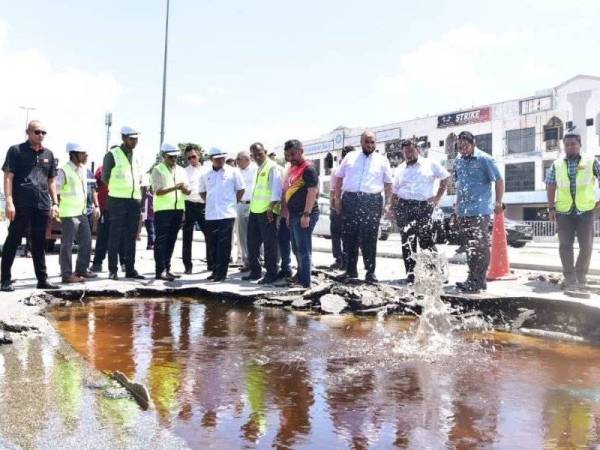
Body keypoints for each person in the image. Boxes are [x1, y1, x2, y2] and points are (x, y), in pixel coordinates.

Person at [1, 121, 60, 291]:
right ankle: (4, 280)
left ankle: (42, 280)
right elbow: (8, 177)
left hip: (41, 205)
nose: (40, 135)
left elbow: (51, 181)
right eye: (37, 132)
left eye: (43, 132)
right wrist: (9, 201)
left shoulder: (48, 153)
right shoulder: (16, 151)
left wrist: (55, 203)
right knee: (13, 240)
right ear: (28, 132)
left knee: (39, 242)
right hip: (21, 204)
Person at [333, 131, 393, 283]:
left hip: (372, 201)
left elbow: (388, 183)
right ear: (361, 142)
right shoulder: (350, 157)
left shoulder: (382, 160)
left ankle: (370, 272)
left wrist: (389, 203)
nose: (370, 145)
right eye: (367, 142)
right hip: (351, 200)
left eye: (372, 142)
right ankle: (350, 271)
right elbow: (339, 178)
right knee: (349, 237)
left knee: (369, 238)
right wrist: (337, 200)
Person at [545, 133, 600, 290]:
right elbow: (550, 185)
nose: (570, 147)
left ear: (579, 144)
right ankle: (570, 278)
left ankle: (580, 275)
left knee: (587, 245)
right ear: (564, 145)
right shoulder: (556, 164)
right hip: (564, 211)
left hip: (586, 210)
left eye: (573, 144)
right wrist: (551, 207)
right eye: (567, 144)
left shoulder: (591, 161)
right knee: (565, 245)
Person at [391, 140, 450, 284]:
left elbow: (446, 177)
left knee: (426, 241)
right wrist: (393, 209)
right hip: (404, 207)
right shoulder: (399, 169)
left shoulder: (430, 163)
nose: (409, 154)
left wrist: (437, 198)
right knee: (407, 242)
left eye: (411, 151)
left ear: (417, 149)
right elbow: (394, 191)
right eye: (406, 152)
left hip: (424, 207)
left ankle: (437, 273)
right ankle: (411, 274)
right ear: (402, 153)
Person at [453, 131, 504, 293]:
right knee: (469, 247)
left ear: (473, 143)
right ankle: (472, 278)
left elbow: (499, 180)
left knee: (479, 246)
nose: (462, 150)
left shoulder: (485, 159)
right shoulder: (458, 161)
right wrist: (457, 206)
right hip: (464, 210)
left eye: (465, 146)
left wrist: (498, 202)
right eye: (459, 147)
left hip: (480, 210)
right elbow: (459, 185)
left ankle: (479, 280)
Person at [102, 126, 145, 280]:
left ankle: (130, 269)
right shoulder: (112, 155)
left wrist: (140, 200)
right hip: (117, 200)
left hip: (134, 200)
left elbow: (141, 179)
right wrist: (118, 189)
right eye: (131, 138)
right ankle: (113, 269)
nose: (135, 141)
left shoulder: (138, 155)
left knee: (131, 236)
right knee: (115, 235)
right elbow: (105, 178)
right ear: (123, 138)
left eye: (136, 138)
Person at [199, 147, 245, 282]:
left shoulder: (233, 172)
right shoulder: (205, 173)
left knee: (224, 245)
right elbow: (202, 191)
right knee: (212, 244)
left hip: (227, 213)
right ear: (210, 159)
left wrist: (232, 202)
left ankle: (222, 273)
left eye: (222, 157)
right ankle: (214, 271)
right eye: (217, 158)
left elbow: (241, 189)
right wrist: (210, 202)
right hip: (211, 214)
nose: (221, 160)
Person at [57, 142, 100, 283]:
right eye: (82, 153)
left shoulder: (83, 169)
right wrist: (56, 207)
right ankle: (67, 274)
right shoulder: (64, 170)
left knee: (86, 241)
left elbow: (90, 190)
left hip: (81, 212)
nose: (86, 155)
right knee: (67, 244)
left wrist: (95, 205)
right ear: (73, 155)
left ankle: (81, 269)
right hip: (69, 213)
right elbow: (56, 191)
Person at [243, 143, 282, 284]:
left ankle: (271, 273)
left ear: (265, 152)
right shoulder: (258, 168)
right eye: (254, 155)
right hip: (255, 210)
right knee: (252, 243)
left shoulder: (272, 167)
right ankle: (255, 271)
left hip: (268, 211)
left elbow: (276, 190)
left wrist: (271, 208)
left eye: (260, 153)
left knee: (269, 244)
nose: (257, 157)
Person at [282, 140, 319, 288]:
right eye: (288, 155)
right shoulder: (293, 168)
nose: (290, 157)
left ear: (301, 151)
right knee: (296, 248)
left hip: (305, 214)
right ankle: (300, 275)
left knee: (304, 249)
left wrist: (306, 214)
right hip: (294, 214)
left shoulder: (308, 169)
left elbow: (312, 193)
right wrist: (289, 214)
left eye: (293, 154)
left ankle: (305, 282)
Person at [151, 143, 190, 281]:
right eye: (170, 157)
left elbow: (188, 190)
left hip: (178, 209)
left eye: (175, 157)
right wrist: (175, 187)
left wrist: (185, 189)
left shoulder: (181, 170)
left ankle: (167, 268)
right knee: (161, 241)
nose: (174, 159)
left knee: (172, 240)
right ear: (163, 156)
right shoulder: (158, 169)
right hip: (163, 210)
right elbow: (158, 191)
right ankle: (159, 270)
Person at [90, 164, 125, 272]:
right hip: (105, 209)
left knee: (121, 238)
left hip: (120, 209)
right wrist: (98, 206)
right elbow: (94, 188)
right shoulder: (101, 169)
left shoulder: (124, 169)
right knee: (103, 237)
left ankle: (124, 263)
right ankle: (97, 263)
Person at [182, 145, 209, 274]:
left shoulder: (206, 170)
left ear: (199, 155)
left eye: (194, 156)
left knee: (209, 234)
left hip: (203, 204)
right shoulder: (184, 171)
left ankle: (211, 263)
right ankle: (188, 266)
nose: (192, 159)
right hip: (189, 204)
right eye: (189, 158)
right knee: (187, 237)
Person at [329, 145, 355, 269]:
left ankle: (342, 259)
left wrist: (332, 207)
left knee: (339, 234)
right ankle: (342, 259)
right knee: (340, 234)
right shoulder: (338, 169)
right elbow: (333, 190)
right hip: (343, 205)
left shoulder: (339, 169)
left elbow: (332, 191)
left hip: (344, 205)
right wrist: (333, 206)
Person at [234, 150, 256, 272]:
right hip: (240, 205)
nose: (237, 161)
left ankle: (258, 260)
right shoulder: (235, 172)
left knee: (255, 235)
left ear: (247, 160)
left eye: (239, 159)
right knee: (242, 235)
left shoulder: (255, 170)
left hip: (253, 205)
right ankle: (246, 261)